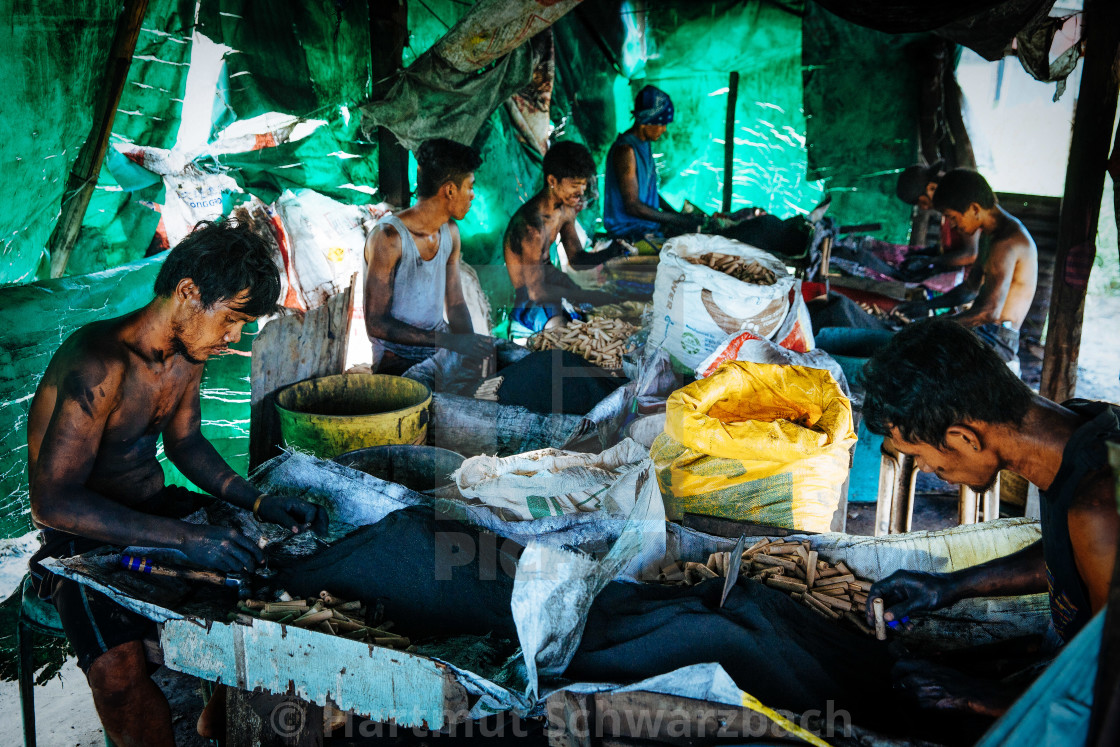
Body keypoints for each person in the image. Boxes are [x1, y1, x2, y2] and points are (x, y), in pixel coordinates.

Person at [26, 220, 329, 747]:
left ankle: (220, 719)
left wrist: (256, 500)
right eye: (231, 319)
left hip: (154, 506)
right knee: (116, 674)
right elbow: (53, 500)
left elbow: (186, 445)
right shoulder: (99, 362)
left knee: (277, 575)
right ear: (189, 292)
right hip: (81, 531)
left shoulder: (187, 356)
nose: (233, 337)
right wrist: (187, 538)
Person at [861, 318, 1119, 716]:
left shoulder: (1100, 504)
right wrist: (947, 586)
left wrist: (975, 696)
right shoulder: (1078, 428)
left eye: (918, 456)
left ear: (965, 438)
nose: (926, 469)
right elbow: (1073, 550)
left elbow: (1110, 699)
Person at [365, 138, 493, 374]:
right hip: (395, 360)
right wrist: (449, 342)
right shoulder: (389, 238)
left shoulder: (450, 233)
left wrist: (469, 346)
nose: (473, 195)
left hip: (437, 351)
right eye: (470, 186)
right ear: (451, 190)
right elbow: (376, 324)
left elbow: (455, 304)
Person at [895, 169, 1037, 370]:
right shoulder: (990, 235)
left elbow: (989, 312)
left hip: (998, 341)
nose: (953, 226)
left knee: (917, 360)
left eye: (952, 217)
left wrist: (934, 325)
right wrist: (927, 307)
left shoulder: (1007, 242)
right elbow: (970, 288)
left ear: (974, 209)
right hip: (986, 330)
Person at [504, 141, 622, 332]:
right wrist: (582, 295)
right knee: (567, 332)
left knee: (602, 315)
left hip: (553, 283)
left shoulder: (565, 211)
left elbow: (576, 259)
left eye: (583, 185)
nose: (581, 193)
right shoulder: (531, 227)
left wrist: (611, 252)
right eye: (575, 185)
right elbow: (536, 292)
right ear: (552, 181)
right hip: (531, 300)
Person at [602, 84, 704, 240]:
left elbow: (649, 193)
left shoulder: (644, 144)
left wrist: (676, 215)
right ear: (647, 120)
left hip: (645, 229)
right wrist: (677, 220)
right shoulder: (626, 151)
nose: (664, 130)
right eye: (661, 124)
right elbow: (633, 206)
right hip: (629, 233)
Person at [894, 160, 980, 279]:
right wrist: (925, 255)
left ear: (931, 188)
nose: (924, 208)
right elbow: (949, 247)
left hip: (968, 279)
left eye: (922, 203)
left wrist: (930, 261)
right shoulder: (948, 210)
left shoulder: (962, 205)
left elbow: (971, 254)